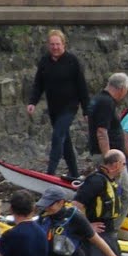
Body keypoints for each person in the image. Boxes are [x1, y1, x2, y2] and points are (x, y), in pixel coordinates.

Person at [26, 30, 90, 180]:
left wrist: (86, 110)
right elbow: (38, 84)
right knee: (65, 141)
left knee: (57, 136)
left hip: (70, 106)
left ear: (63, 44)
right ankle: (74, 174)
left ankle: (49, 174)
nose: (55, 47)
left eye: (58, 44)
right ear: (49, 45)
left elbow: (82, 87)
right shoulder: (45, 61)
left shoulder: (72, 61)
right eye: (52, 44)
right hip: (54, 108)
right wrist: (32, 102)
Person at [74, 149, 128, 256]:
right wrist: (88, 227)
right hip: (97, 233)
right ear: (116, 165)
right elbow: (75, 206)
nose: (124, 167)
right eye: (124, 164)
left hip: (109, 232)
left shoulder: (109, 180)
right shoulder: (96, 181)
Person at [87, 72, 128, 163]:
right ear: (123, 89)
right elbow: (101, 132)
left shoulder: (98, 99)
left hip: (106, 154)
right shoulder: (106, 102)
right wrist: (108, 158)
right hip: (109, 157)